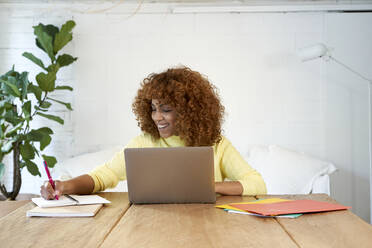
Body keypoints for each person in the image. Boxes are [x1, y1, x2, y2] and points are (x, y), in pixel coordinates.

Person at [40, 66, 267, 199]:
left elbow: (257, 184)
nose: (157, 117)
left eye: (166, 110)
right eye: (153, 109)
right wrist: (64, 186)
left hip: (207, 225)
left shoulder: (216, 145)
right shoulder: (144, 142)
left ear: (190, 111)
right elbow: (103, 176)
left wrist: (209, 188)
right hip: (150, 225)